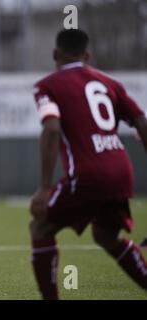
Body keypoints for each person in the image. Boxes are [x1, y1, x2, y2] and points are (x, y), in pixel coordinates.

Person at [30, 28, 147, 300]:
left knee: (40, 226)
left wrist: (45, 187)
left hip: (88, 174)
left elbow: (51, 128)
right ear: (87, 55)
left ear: (55, 54)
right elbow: (141, 122)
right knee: (106, 236)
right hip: (122, 171)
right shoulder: (110, 83)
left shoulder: (47, 86)